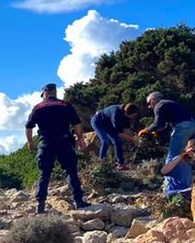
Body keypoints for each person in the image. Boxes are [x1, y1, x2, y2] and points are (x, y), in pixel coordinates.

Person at [25, 83, 90, 214]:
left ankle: (40, 205)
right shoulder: (65, 105)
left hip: (46, 143)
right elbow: (77, 123)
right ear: (55, 92)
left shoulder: (37, 107)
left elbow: (28, 127)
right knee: (71, 171)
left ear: (45, 92)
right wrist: (80, 139)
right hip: (64, 141)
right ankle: (78, 201)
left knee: (44, 173)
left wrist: (30, 142)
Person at [139, 92, 195, 178]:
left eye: (149, 103)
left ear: (154, 100)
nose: (149, 106)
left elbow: (158, 124)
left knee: (173, 155)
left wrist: (146, 130)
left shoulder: (159, 105)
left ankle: (172, 184)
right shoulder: (172, 103)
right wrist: (155, 132)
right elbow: (165, 126)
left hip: (183, 127)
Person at [90, 103, 140, 170]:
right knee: (105, 141)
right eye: (133, 115)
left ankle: (121, 164)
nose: (134, 117)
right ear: (126, 113)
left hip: (108, 124)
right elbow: (119, 133)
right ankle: (100, 164)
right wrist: (133, 139)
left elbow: (127, 130)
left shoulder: (126, 116)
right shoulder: (116, 114)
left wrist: (135, 138)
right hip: (98, 121)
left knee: (117, 141)